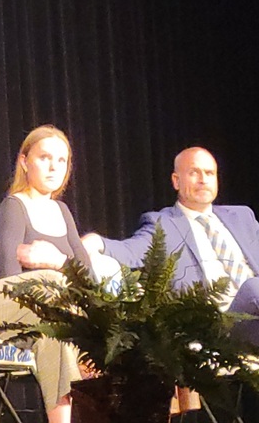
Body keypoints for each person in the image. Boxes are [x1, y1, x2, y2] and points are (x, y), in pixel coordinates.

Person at [0, 125, 88, 423]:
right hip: (14, 316)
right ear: (24, 162)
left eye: (62, 160)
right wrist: (58, 272)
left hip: (55, 324)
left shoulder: (62, 211)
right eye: (45, 157)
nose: (53, 167)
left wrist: (58, 260)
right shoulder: (14, 206)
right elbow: (10, 280)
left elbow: (90, 282)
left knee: (59, 337)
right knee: (55, 286)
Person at [82, 145, 259, 346]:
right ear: (176, 181)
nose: (203, 179)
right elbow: (130, 251)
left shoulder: (242, 216)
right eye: (194, 172)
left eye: (209, 173)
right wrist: (97, 242)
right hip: (218, 326)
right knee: (254, 287)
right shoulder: (163, 224)